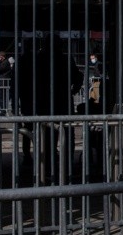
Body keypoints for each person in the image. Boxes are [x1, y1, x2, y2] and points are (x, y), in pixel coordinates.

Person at [19, 37, 83, 184]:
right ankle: (66, 168)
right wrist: (73, 90)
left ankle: (47, 169)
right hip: (62, 103)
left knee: (46, 137)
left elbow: (29, 80)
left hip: (44, 103)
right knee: (66, 135)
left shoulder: (38, 60)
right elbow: (78, 76)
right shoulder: (65, 59)